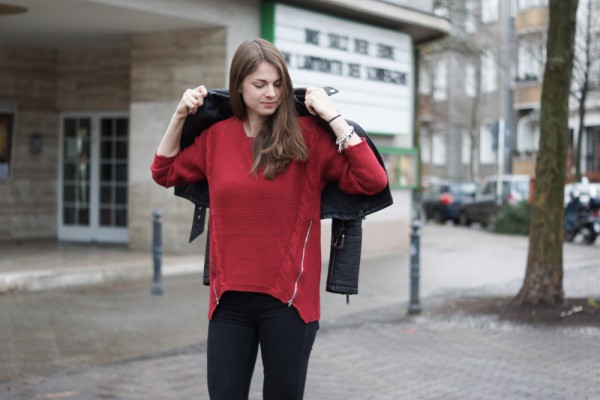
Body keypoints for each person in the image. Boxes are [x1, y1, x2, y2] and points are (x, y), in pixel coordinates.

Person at [150, 38, 388, 400]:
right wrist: (180, 115)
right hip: (228, 302)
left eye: (278, 84)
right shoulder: (216, 139)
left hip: (289, 304)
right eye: (260, 84)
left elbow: (373, 180)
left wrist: (333, 116)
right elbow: (163, 171)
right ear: (239, 86)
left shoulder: (307, 139)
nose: (271, 93)